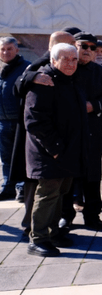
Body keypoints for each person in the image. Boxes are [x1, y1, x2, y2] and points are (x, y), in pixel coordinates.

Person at [23, 43, 87, 257]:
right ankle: (38, 239)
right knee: (47, 194)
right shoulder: (44, 81)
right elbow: (34, 121)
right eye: (65, 59)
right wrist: (56, 148)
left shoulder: (71, 80)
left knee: (60, 193)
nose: (70, 63)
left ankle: (53, 232)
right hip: (50, 152)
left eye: (74, 59)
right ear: (53, 60)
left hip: (67, 151)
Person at [62, 32, 102, 230]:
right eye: (84, 46)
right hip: (69, 132)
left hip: (92, 131)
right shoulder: (65, 67)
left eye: (93, 48)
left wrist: (95, 105)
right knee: (67, 176)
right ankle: (65, 216)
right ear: (74, 46)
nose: (88, 51)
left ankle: (92, 215)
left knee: (92, 176)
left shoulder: (100, 72)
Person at [0, 37, 29, 201]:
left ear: (17, 50)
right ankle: (8, 187)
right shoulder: (0, 68)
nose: (6, 52)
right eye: (3, 49)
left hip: (20, 122)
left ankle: (22, 188)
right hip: (3, 121)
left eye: (9, 49)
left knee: (22, 157)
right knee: (6, 158)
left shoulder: (26, 68)